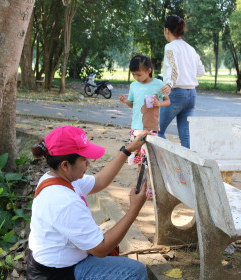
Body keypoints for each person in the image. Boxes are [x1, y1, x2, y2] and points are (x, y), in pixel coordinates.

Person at [27, 125, 150, 280]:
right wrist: (134, 210)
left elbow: (99, 181)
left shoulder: (55, 177)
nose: (89, 164)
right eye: (84, 159)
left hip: (48, 264)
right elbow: (101, 248)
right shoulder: (64, 201)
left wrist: (127, 150)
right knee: (135, 271)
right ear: (65, 165)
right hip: (57, 273)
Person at [158, 15, 205, 148]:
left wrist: (169, 83)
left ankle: (170, 157)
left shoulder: (170, 47)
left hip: (176, 94)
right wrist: (187, 73)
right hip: (192, 94)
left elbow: (173, 68)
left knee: (156, 131)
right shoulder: (191, 48)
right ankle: (188, 168)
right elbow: (201, 71)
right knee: (186, 138)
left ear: (166, 30)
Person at [119, 54, 170, 166]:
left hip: (151, 128)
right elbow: (132, 104)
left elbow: (168, 101)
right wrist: (126, 101)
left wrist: (159, 103)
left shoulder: (158, 84)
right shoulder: (133, 86)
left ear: (149, 71)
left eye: (139, 74)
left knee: (150, 158)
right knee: (138, 158)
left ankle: (148, 182)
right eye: (133, 74)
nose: (136, 77)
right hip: (136, 127)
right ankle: (143, 183)